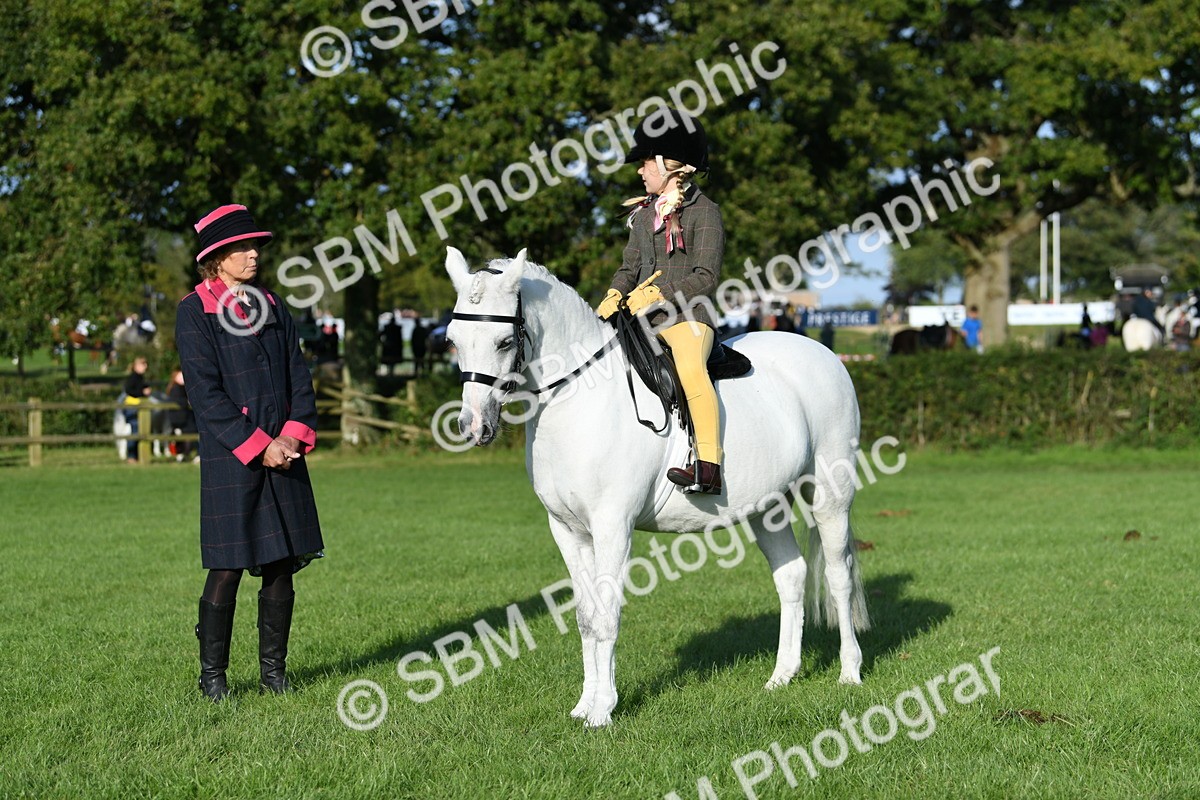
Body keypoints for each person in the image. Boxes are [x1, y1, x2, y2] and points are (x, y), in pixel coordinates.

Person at [175, 204, 324, 702]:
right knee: (227, 566)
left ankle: (273, 675)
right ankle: (213, 678)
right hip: (232, 457)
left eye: (254, 245)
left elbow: (298, 379)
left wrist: (291, 437)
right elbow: (205, 394)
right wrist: (259, 447)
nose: (253, 253)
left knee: (282, 561)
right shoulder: (193, 312)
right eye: (241, 248)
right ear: (216, 258)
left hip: (287, 452)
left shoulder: (276, 306)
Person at [596, 108, 725, 494]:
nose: (640, 171)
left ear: (670, 166)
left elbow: (706, 275)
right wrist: (615, 292)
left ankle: (708, 465)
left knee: (689, 367)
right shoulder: (643, 215)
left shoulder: (705, 212)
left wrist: (659, 293)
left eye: (645, 163)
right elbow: (628, 266)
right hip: (641, 320)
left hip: (688, 318)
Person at [122, 356, 153, 463]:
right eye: (143, 364)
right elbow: (129, 390)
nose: (145, 367)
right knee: (134, 430)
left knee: (140, 430)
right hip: (132, 407)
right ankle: (131, 456)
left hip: (139, 406)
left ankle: (138, 455)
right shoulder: (133, 377)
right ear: (136, 366)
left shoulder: (140, 377)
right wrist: (142, 392)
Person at [166, 369, 198, 462]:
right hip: (180, 418)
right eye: (180, 376)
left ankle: (184, 454)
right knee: (189, 434)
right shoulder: (176, 388)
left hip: (182, 417)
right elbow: (179, 401)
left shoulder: (181, 388)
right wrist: (188, 402)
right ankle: (185, 454)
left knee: (187, 435)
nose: (182, 378)